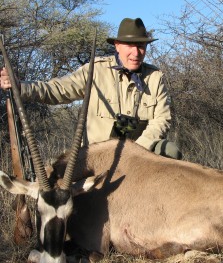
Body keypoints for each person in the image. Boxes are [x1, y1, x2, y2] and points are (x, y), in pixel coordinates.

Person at [0, 17, 182, 159]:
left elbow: (162, 120)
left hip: (140, 153)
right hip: (99, 156)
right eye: (130, 46)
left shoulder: (155, 77)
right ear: (117, 46)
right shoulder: (96, 70)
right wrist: (21, 87)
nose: (136, 53)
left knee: (170, 151)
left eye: (141, 46)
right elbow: (57, 90)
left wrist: (136, 152)